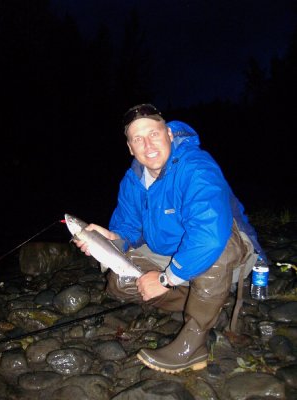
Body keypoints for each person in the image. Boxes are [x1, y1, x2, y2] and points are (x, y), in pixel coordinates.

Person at [75, 103, 265, 374]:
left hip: (228, 252)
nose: (147, 144)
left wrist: (166, 279)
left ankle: (194, 343)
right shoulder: (132, 181)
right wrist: (112, 238)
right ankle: (209, 303)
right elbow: (129, 229)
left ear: (169, 134)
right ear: (130, 147)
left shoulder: (196, 166)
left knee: (213, 248)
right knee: (120, 282)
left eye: (153, 133)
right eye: (137, 139)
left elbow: (209, 236)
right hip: (173, 255)